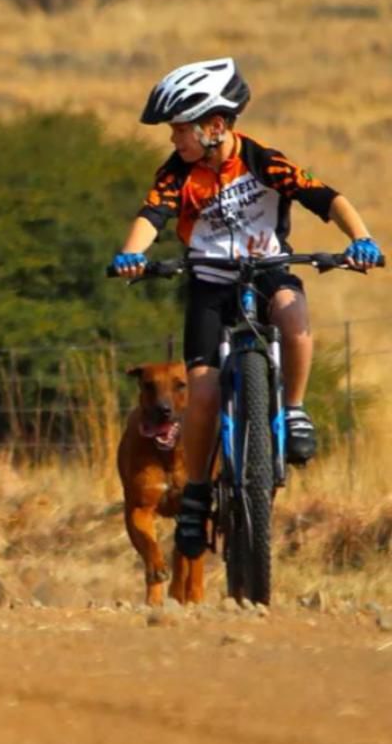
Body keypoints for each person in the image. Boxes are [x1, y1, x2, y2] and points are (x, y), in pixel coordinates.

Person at [111, 56, 379, 556]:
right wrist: (132, 253)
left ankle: (295, 410)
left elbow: (327, 197)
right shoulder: (176, 173)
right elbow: (152, 214)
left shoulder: (263, 160)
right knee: (205, 391)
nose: (174, 140)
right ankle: (195, 496)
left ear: (215, 126)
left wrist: (360, 238)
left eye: (180, 130)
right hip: (209, 285)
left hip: (266, 271)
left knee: (292, 312)